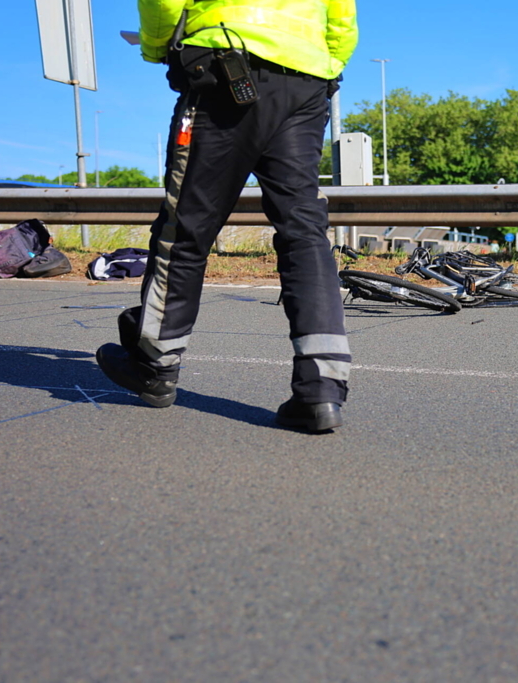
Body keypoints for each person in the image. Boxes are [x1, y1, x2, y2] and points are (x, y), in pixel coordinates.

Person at [96, 0, 358, 432]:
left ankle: (155, 363)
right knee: (305, 234)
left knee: (186, 229)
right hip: (308, 78)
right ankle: (321, 389)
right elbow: (342, 19)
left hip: (224, 69)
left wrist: (158, 48)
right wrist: (324, 62)